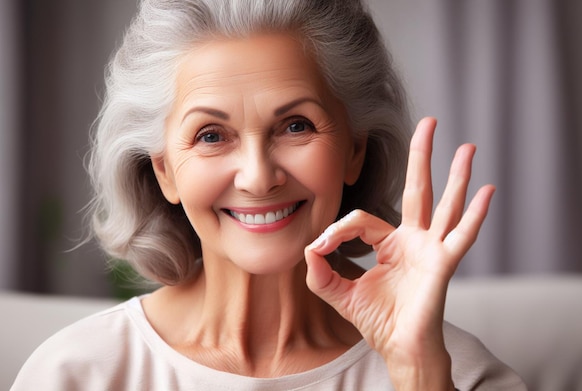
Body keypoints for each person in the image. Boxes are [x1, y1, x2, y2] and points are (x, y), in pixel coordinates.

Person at [12, 0, 526, 390]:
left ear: (355, 150)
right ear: (164, 170)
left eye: (296, 125)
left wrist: (417, 370)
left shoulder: (458, 373)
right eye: (211, 135)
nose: (258, 178)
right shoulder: (74, 374)